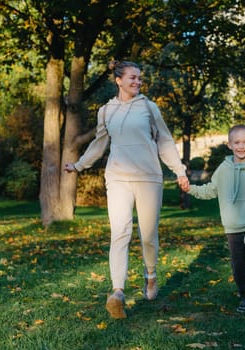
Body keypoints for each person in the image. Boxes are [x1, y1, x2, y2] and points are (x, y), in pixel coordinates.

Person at [64, 60, 189, 319]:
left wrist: (179, 170)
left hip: (148, 178)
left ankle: (150, 276)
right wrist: (78, 165)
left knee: (148, 235)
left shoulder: (148, 107)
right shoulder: (106, 111)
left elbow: (164, 141)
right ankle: (117, 292)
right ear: (118, 80)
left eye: (140, 78)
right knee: (120, 233)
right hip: (118, 177)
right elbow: (99, 145)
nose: (137, 82)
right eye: (132, 77)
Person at [182, 125, 245, 313]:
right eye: (237, 142)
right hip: (233, 228)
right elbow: (210, 190)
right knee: (238, 267)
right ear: (229, 145)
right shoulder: (223, 169)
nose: (241, 146)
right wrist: (191, 189)